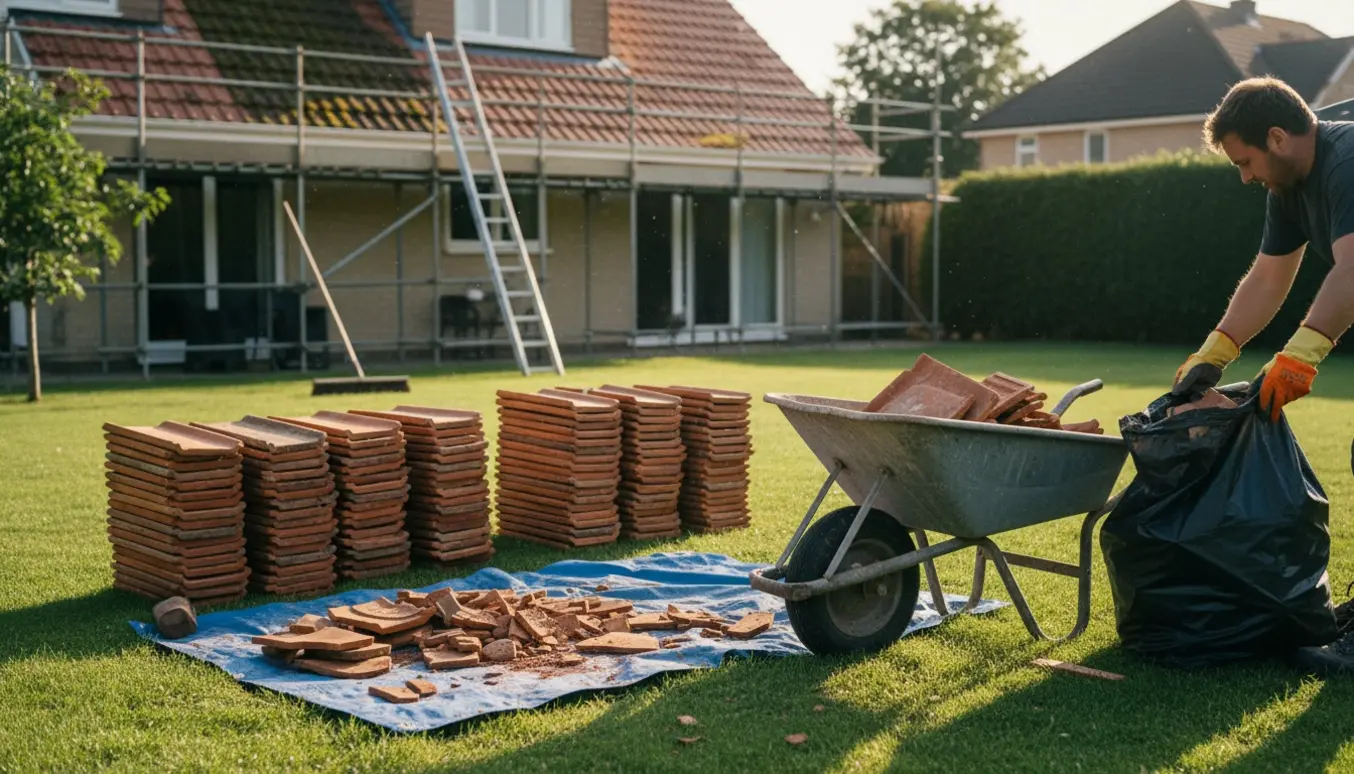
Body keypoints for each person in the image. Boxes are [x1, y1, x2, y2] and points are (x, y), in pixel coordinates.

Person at [1173, 77, 1354, 675]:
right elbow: (1269, 276)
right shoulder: (1291, 185)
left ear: (1277, 137)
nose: (1245, 177)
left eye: (1245, 162)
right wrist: (1216, 351)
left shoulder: (1347, 160)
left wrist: (1302, 355)